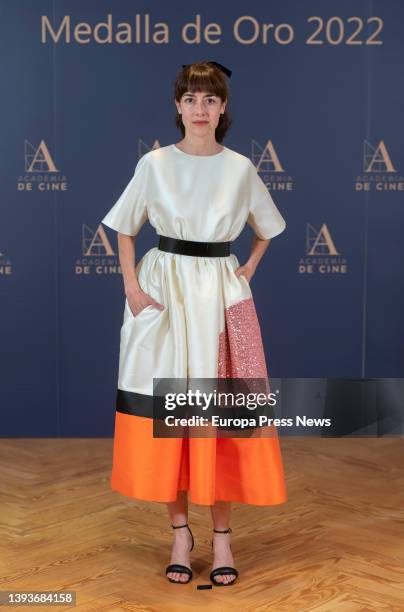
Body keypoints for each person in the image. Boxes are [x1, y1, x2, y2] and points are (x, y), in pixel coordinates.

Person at [101, 60, 288, 587]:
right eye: (190, 99)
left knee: (221, 415)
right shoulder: (154, 165)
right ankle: (180, 532)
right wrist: (131, 288)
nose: (200, 109)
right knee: (169, 417)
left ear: (223, 108)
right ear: (178, 106)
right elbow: (122, 226)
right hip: (163, 294)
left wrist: (246, 269)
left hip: (220, 295)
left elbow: (267, 227)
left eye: (210, 99)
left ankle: (223, 538)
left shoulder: (240, 168)